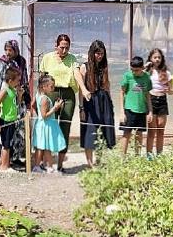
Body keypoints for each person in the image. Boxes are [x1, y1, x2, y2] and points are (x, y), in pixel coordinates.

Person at [39, 34, 89, 172]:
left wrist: (83, 89)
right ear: (56, 46)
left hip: (68, 95)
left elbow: (77, 74)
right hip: (52, 93)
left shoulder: (72, 59)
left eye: (67, 48)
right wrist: (40, 97)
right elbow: (42, 78)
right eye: (62, 47)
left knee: (64, 128)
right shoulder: (47, 58)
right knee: (49, 126)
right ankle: (47, 163)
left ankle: (60, 165)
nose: (64, 51)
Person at [0, 40, 30, 166]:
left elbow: (24, 78)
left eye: (11, 50)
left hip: (18, 97)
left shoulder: (21, 61)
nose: (8, 53)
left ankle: (15, 156)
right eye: (6, 50)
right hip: (5, 97)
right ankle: (2, 159)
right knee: (5, 132)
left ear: (16, 50)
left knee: (18, 129)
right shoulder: (1, 62)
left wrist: (24, 95)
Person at [79, 40, 116, 167]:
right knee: (89, 131)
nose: (99, 56)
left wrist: (110, 103)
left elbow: (107, 85)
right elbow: (81, 89)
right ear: (92, 53)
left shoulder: (104, 67)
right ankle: (89, 163)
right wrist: (81, 108)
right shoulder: (84, 67)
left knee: (104, 130)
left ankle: (99, 160)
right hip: (90, 101)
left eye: (101, 53)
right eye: (97, 53)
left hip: (104, 100)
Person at [32, 73, 66, 173]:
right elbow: (44, 115)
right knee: (43, 147)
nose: (53, 88)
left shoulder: (38, 95)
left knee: (45, 147)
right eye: (51, 86)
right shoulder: (44, 99)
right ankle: (39, 166)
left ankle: (49, 167)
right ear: (44, 86)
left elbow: (33, 105)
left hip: (42, 125)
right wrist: (55, 108)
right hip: (45, 125)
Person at [119, 56, 153, 156]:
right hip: (129, 109)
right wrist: (122, 112)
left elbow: (147, 95)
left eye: (137, 70)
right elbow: (121, 92)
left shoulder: (146, 77)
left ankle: (137, 156)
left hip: (141, 110)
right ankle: (122, 158)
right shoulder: (127, 76)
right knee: (126, 134)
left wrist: (150, 111)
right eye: (132, 70)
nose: (134, 72)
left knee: (139, 134)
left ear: (142, 67)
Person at [0, 67, 23, 173]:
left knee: (8, 143)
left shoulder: (12, 90)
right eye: (17, 80)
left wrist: (19, 95)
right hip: (5, 120)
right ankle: (4, 167)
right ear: (10, 81)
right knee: (6, 145)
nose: (19, 82)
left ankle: (3, 164)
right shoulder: (4, 91)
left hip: (12, 120)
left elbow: (17, 104)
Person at [145, 48, 172, 158]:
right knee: (152, 130)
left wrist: (169, 90)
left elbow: (171, 89)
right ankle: (149, 155)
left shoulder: (165, 72)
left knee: (161, 128)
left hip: (162, 100)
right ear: (151, 58)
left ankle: (159, 154)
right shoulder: (147, 72)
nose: (157, 59)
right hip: (151, 99)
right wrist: (146, 66)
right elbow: (136, 74)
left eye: (159, 57)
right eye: (155, 57)